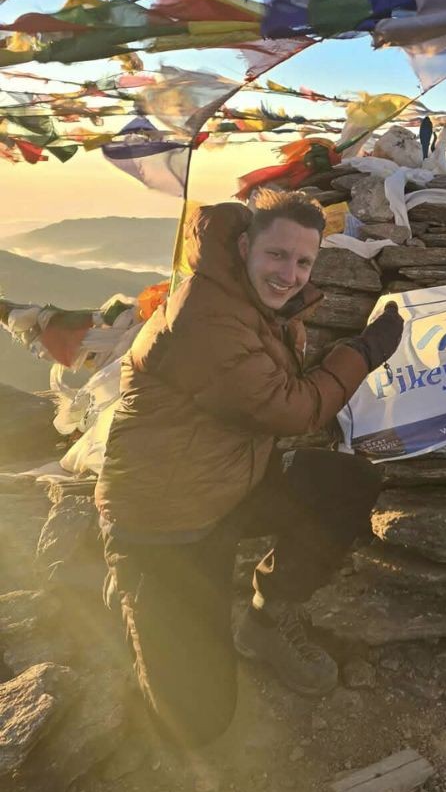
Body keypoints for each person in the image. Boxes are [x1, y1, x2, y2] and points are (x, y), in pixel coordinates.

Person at [96, 190, 403, 747]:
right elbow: (293, 409)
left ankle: (263, 622)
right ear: (244, 247)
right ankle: (140, 595)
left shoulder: (251, 301)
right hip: (165, 523)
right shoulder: (205, 319)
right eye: (277, 256)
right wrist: (363, 350)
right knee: (199, 723)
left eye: (303, 261)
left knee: (344, 484)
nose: (290, 274)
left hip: (231, 482)